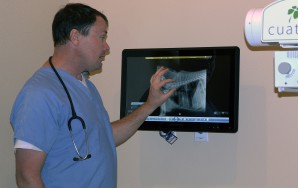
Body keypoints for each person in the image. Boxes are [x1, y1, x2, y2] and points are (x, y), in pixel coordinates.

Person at [10, 3, 176, 188]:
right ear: (75, 37)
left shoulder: (83, 84)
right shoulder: (40, 94)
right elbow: (26, 176)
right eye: (102, 37)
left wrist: (149, 105)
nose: (107, 47)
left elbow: (104, 137)